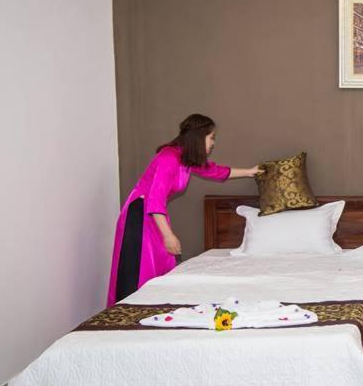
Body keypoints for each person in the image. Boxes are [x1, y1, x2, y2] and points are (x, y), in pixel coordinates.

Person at [106, 114, 261, 305]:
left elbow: (215, 171)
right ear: (199, 136)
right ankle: (130, 308)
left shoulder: (184, 159)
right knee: (138, 267)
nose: (213, 143)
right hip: (140, 215)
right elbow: (155, 198)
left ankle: (153, 304)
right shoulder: (168, 158)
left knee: (160, 262)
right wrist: (168, 235)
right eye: (211, 137)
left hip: (154, 213)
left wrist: (249, 172)